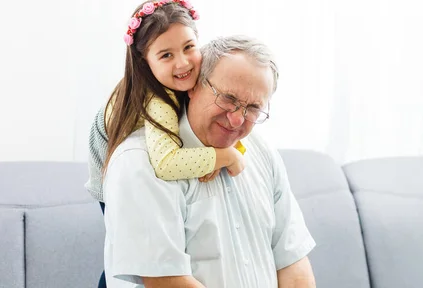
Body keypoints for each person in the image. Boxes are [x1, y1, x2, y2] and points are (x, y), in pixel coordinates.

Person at [101, 35, 316, 287]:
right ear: (193, 85)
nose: (237, 119)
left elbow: (292, 260)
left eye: (253, 108)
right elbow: (166, 281)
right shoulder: (139, 162)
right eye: (228, 98)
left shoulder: (261, 150)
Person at [84, 0, 246, 288]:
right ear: (145, 62)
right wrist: (224, 157)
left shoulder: (201, 75)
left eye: (188, 47)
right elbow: (166, 163)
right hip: (107, 168)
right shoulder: (157, 100)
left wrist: (231, 146)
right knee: (130, 250)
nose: (183, 62)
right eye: (166, 55)